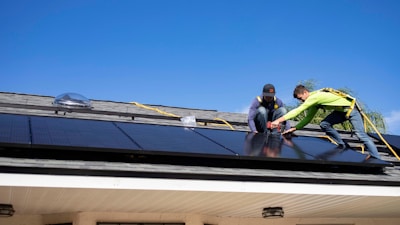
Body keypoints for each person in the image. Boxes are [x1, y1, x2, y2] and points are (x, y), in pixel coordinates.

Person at [270, 84, 381, 159]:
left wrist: (278, 121)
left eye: (300, 98)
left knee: (360, 135)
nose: (301, 101)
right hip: (341, 112)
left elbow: (298, 111)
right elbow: (308, 118)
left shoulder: (315, 97)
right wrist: (295, 128)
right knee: (324, 124)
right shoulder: (314, 101)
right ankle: (343, 145)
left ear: (305, 92)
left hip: (351, 111)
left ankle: (375, 156)